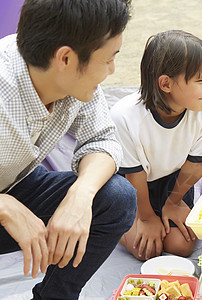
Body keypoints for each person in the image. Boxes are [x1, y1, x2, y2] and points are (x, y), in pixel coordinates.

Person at [0, 0, 137, 299]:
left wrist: (79, 196)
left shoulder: (74, 83)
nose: (112, 70)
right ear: (66, 58)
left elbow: (103, 140)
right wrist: (4, 207)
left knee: (115, 196)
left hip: (14, 186)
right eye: (108, 59)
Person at [111, 30, 202, 261]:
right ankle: (114, 220)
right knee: (147, 251)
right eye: (200, 80)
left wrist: (174, 201)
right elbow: (134, 175)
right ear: (166, 84)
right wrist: (146, 217)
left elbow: (195, 164)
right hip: (130, 187)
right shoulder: (125, 116)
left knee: (180, 247)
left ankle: (158, 212)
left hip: (173, 183)